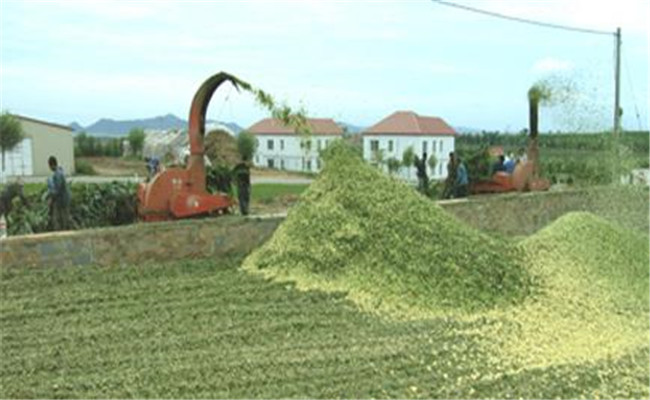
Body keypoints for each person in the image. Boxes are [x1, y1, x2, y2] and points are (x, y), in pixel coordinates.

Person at [47, 156, 71, 231]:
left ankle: (61, 233)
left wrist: (51, 199)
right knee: (63, 217)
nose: (49, 168)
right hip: (63, 198)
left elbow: (57, 190)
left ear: (52, 165)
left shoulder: (57, 174)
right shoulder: (59, 171)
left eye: (49, 166)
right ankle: (63, 231)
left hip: (62, 199)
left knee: (59, 218)